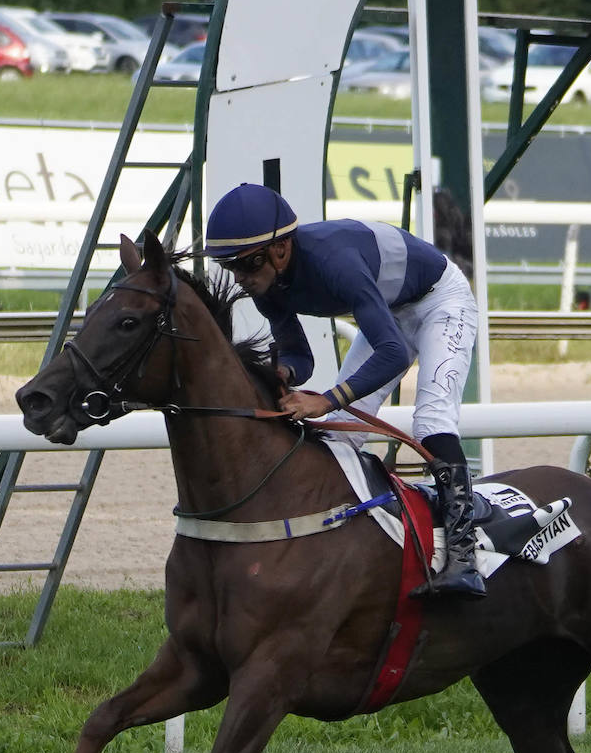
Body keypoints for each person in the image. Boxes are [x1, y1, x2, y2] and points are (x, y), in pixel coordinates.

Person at [204, 182, 485, 600]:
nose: (242, 279)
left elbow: (391, 353)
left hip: (440, 300)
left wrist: (327, 399)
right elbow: (302, 357)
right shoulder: (268, 283)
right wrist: (281, 373)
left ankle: (466, 557)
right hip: (389, 308)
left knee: (431, 420)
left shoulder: (334, 263)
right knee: (340, 433)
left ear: (280, 250)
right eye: (231, 268)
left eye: (247, 264)